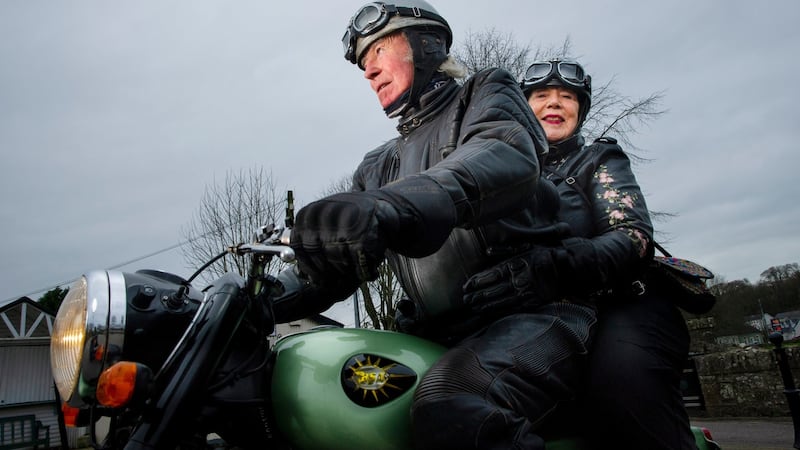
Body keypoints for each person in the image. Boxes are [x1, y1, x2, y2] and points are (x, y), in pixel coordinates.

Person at [273, 2, 598, 448]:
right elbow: (338, 268)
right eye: (363, 65)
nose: (369, 73)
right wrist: (257, 297)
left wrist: (389, 205)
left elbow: (502, 154)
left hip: (530, 317)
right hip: (434, 333)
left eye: (380, 52)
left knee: (449, 407)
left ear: (425, 46)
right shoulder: (377, 165)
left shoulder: (487, 94)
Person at [462, 58, 698, 448]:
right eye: (541, 95)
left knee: (622, 384)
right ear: (522, 108)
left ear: (579, 110)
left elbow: (631, 236)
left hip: (621, 305)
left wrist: (556, 266)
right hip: (538, 317)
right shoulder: (495, 171)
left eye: (567, 97)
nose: (555, 103)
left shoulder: (598, 160)